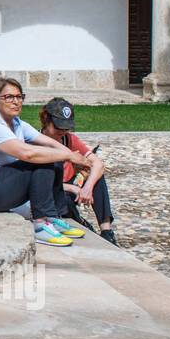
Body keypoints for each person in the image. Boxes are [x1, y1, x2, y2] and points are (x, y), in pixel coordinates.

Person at [0, 78, 91, 248]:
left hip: (3, 185)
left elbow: (50, 143)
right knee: (42, 160)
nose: (16, 101)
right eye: (8, 97)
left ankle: (53, 217)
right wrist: (68, 157)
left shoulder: (17, 124)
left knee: (54, 157)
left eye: (19, 96)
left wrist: (74, 157)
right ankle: (40, 225)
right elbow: (27, 154)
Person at [39, 97, 118, 245]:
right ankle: (80, 223)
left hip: (71, 186)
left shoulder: (68, 139)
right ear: (45, 120)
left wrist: (87, 187)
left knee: (96, 178)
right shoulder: (35, 142)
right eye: (58, 127)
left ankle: (107, 231)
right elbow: (38, 183)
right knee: (64, 199)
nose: (62, 131)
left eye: (66, 127)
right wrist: (72, 188)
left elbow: (98, 164)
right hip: (52, 190)